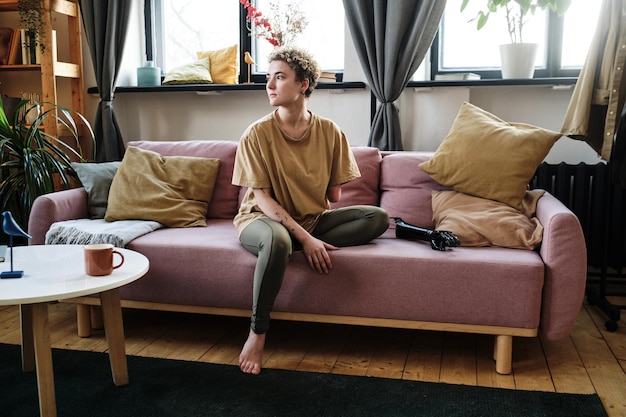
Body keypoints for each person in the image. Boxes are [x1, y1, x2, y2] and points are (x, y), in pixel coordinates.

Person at [232, 47, 389, 375]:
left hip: (311, 219)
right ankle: (257, 333)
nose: (269, 85)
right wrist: (308, 238)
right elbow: (261, 199)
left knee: (378, 218)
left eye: (279, 77)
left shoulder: (331, 131)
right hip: (261, 220)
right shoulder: (256, 134)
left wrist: (308, 224)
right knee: (278, 242)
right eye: (268, 77)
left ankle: (295, 244)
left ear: (304, 84)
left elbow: (334, 195)